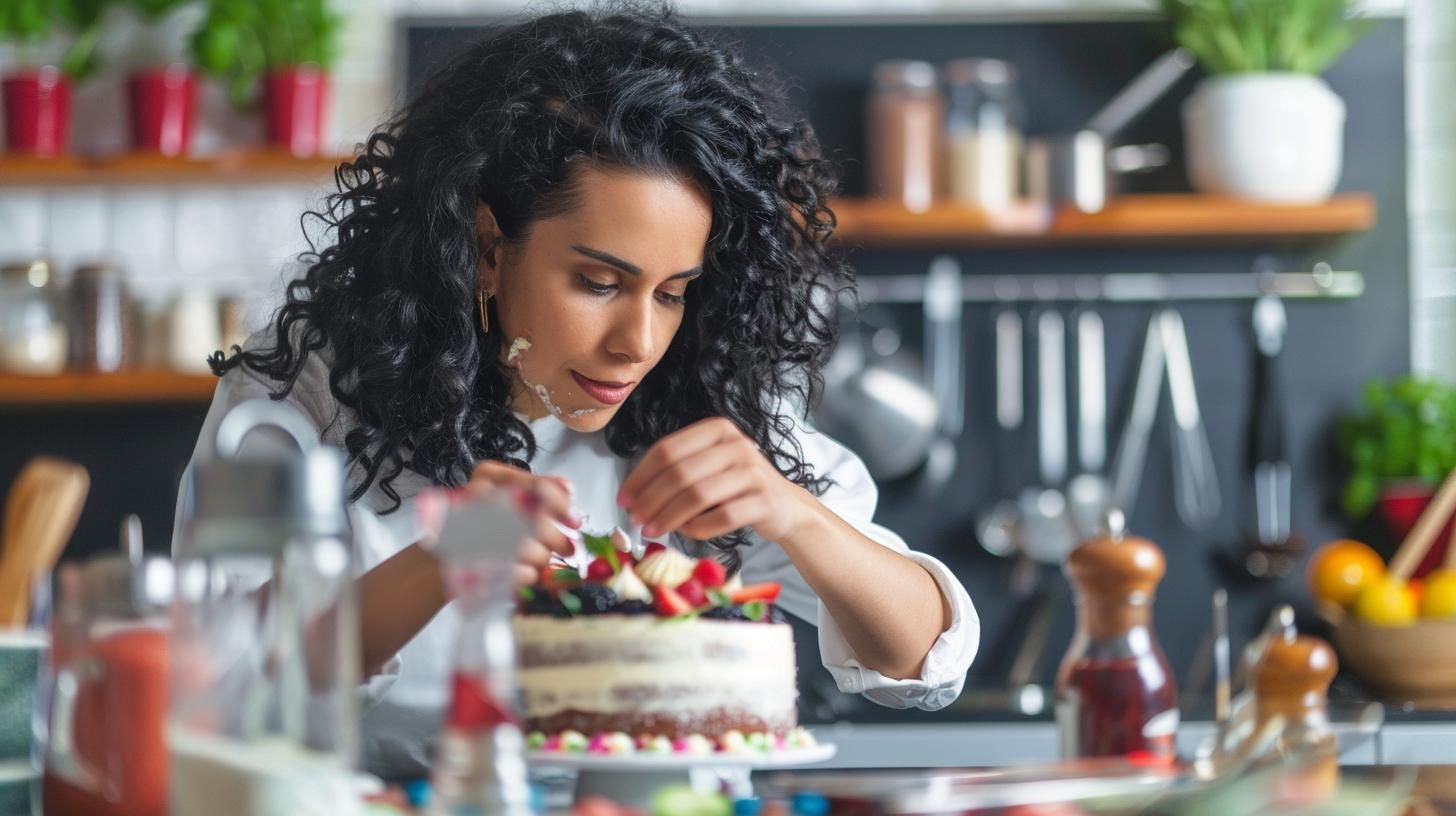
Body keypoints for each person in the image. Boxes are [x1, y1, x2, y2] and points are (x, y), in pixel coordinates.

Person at [176, 5, 978, 776]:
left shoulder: (706, 397)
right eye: (598, 282)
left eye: (672, 293)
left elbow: (921, 655)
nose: (638, 343)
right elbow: (220, 685)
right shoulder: (300, 398)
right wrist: (438, 561)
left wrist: (792, 512)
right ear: (488, 248)